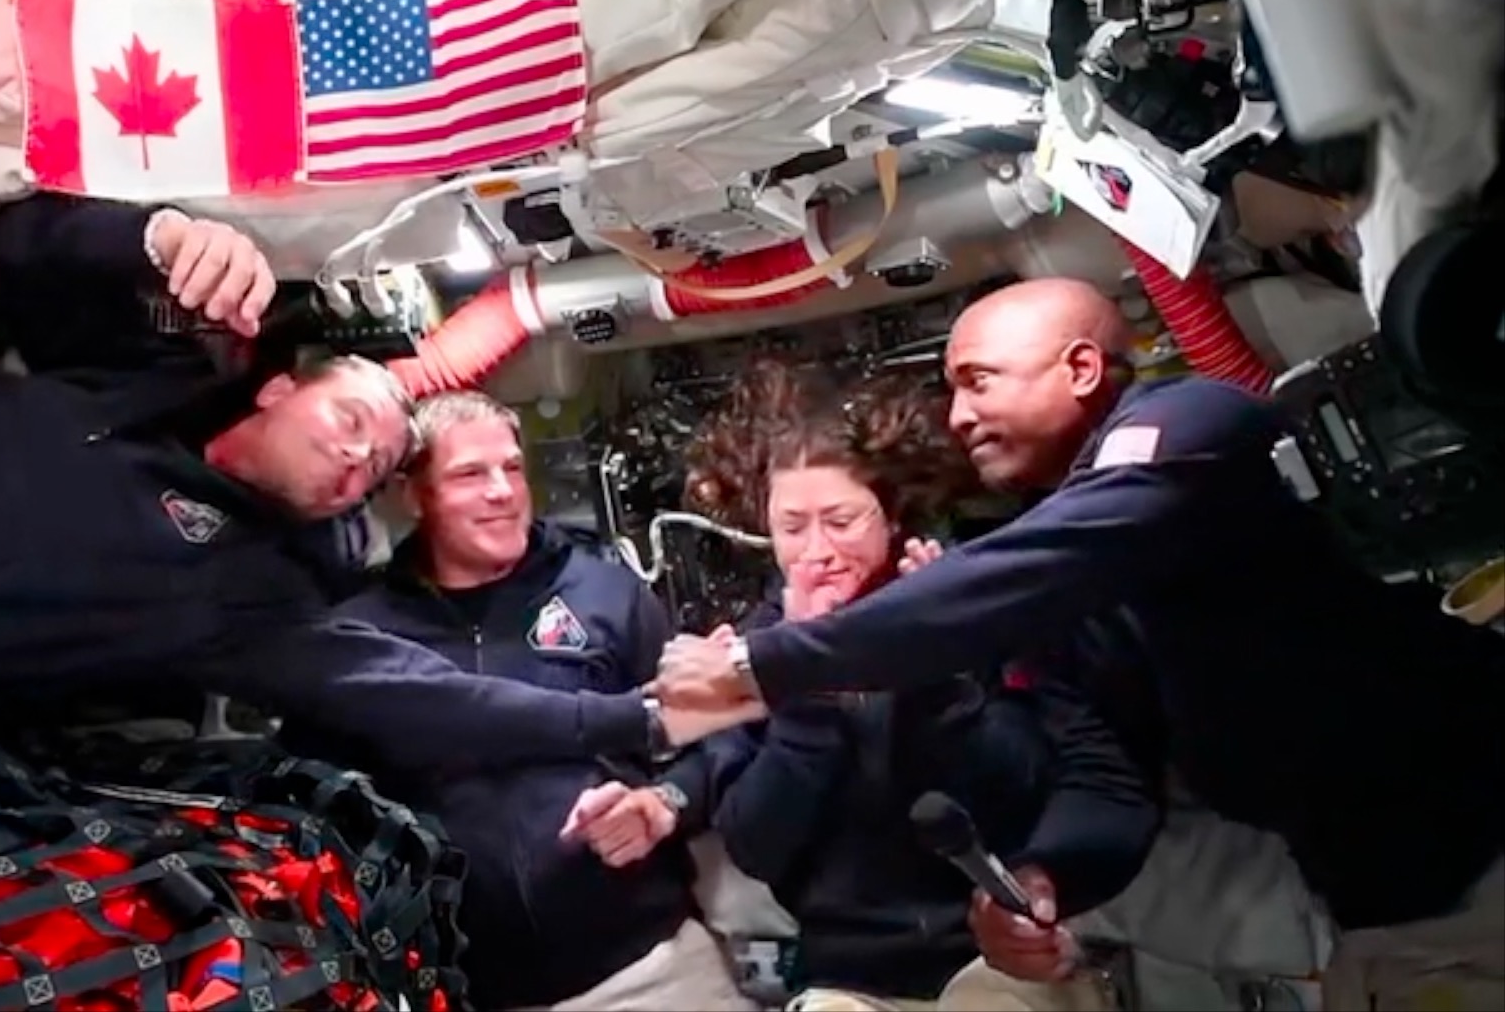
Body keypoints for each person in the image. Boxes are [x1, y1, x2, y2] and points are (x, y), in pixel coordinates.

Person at [656, 278, 1505, 1010]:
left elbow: (1051, 562)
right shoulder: (1074, 586)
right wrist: (1049, 877)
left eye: (978, 381)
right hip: (1390, 901)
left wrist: (766, 666)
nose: (958, 415)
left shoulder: (1188, 426)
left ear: (1082, 369)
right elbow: (1108, 774)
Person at [0, 165, 736, 771]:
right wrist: (157, 238)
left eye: (377, 466)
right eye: (352, 420)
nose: (357, 456)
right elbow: (26, 249)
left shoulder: (251, 602)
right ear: (280, 389)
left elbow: (412, 695)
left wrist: (631, 719)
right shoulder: (162, 368)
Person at [690, 364, 1153, 1012]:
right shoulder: (745, 655)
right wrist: (806, 688)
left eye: (841, 521)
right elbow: (756, 846)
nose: (816, 551)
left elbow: (1030, 789)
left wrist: (932, 670)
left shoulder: (979, 612)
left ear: (892, 518)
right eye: (793, 528)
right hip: (850, 975)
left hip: (992, 951)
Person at [285, 391, 753, 1011]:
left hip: (649, 970)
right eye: (470, 475)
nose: (502, 491)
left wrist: (667, 800)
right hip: (466, 991)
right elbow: (312, 807)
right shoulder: (360, 638)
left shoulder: (604, 594)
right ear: (412, 495)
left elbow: (716, 735)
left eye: (511, 467)